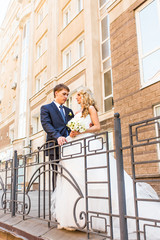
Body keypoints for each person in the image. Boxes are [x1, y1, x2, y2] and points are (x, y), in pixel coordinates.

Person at [51, 88, 160, 239]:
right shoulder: (76, 112)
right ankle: (73, 218)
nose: (76, 99)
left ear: (84, 96)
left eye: (78, 96)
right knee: (74, 180)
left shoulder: (91, 108)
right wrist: (72, 133)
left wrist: (81, 131)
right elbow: (72, 130)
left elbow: (97, 126)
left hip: (87, 143)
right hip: (74, 145)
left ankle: (96, 217)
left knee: (95, 178)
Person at [40, 84, 74, 189]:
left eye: (67, 95)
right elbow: (46, 124)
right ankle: (56, 201)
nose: (66, 97)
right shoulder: (46, 108)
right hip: (54, 145)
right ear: (56, 93)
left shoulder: (69, 111)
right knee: (57, 172)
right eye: (64, 94)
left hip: (69, 145)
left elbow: (72, 126)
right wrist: (58, 136)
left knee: (70, 172)